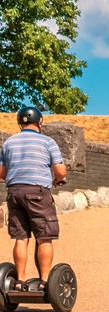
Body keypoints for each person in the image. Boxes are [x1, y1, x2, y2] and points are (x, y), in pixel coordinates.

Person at [2, 108, 68, 294]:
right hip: (38, 192)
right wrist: (58, 177)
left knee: (21, 238)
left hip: (14, 192)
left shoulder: (9, 142)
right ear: (40, 122)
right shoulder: (48, 141)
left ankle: (19, 281)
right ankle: (45, 282)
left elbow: (2, 173)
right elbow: (61, 171)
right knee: (44, 236)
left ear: (20, 123)